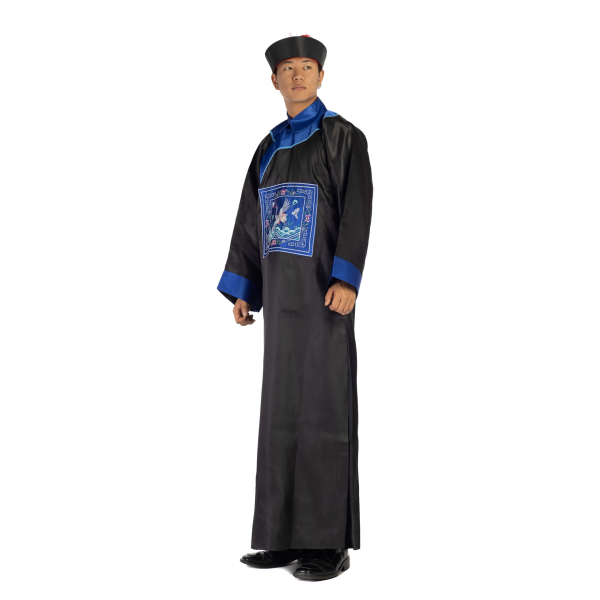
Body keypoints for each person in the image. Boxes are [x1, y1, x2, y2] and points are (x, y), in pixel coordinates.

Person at [216, 33, 373, 581]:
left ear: (321, 76)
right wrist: (245, 287)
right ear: (275, 80)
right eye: (288, 69)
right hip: (280, 303)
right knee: (280, 416)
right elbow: (249, 221)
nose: (298, 75)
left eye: (307, 67)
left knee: (324, 413)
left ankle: (327, 543)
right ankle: (281, 538)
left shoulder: (343, 138)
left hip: (324, 297)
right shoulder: (268, 148)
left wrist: (347, 278)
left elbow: (357, 209)